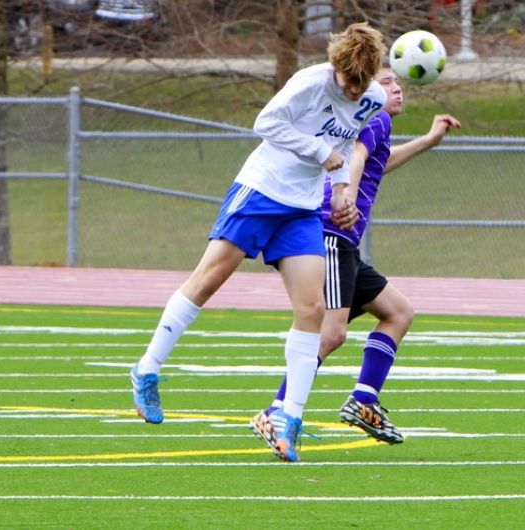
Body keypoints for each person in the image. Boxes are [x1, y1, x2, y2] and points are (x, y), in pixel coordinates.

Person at [130, 22, 388, 463]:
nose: (353, 91)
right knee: (208, 280)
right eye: (349, 81)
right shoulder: (310, 82)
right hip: (261, 191)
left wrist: (341, 189)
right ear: (336, 66)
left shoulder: (372, 97)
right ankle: (147, 369)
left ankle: (289, 419)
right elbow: (265, 122)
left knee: (314, 309)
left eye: (361, 84)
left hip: (303, 208)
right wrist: (318, 152)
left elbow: (343, 146)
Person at [250, 63, 461, 448]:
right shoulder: (377, 117)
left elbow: (378, 162)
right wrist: (344, 194)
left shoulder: (370, 122)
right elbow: (357, 159)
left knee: (398, 312)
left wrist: (428, 141)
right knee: (331, 333)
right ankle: (277, 411)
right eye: (386, 82)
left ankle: (364, 400)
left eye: (397, 81)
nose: (396, 88)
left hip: (341, 241)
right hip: (333, 235)